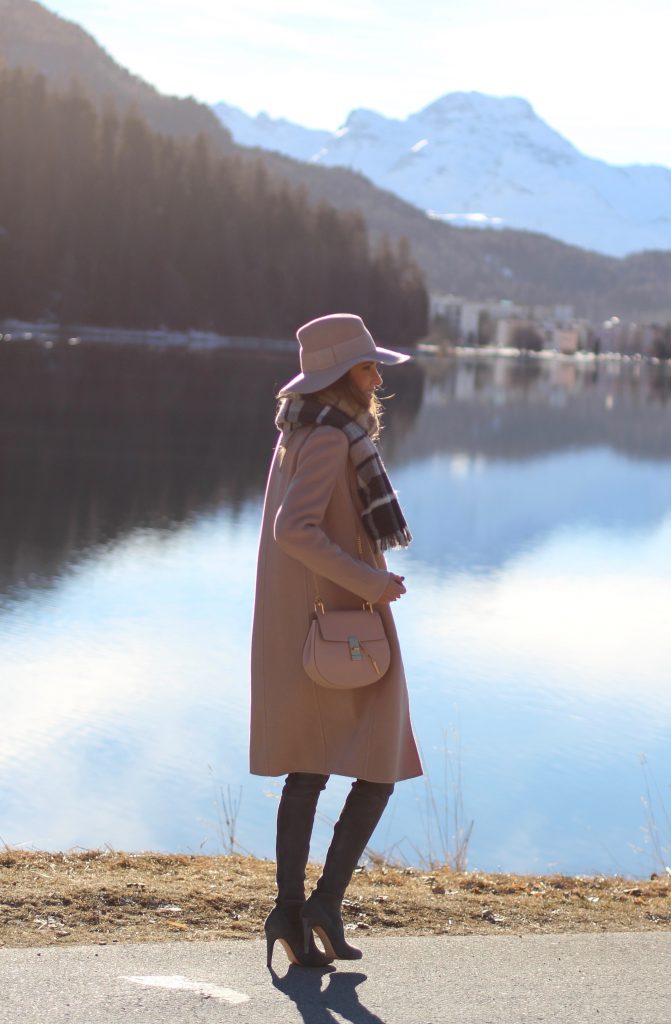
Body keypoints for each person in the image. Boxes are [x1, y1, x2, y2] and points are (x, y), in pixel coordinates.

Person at [250, 313, 422, 969]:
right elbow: (293, 531)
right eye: (367, 366)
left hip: (314, 628)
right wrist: (368, 583)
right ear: (339, 377)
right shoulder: (327, 438)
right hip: (340, 627)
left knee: (311, 767)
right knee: (377, 765)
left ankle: (294, 913)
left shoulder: (305, 431)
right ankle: (316, 905)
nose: (378, 378)